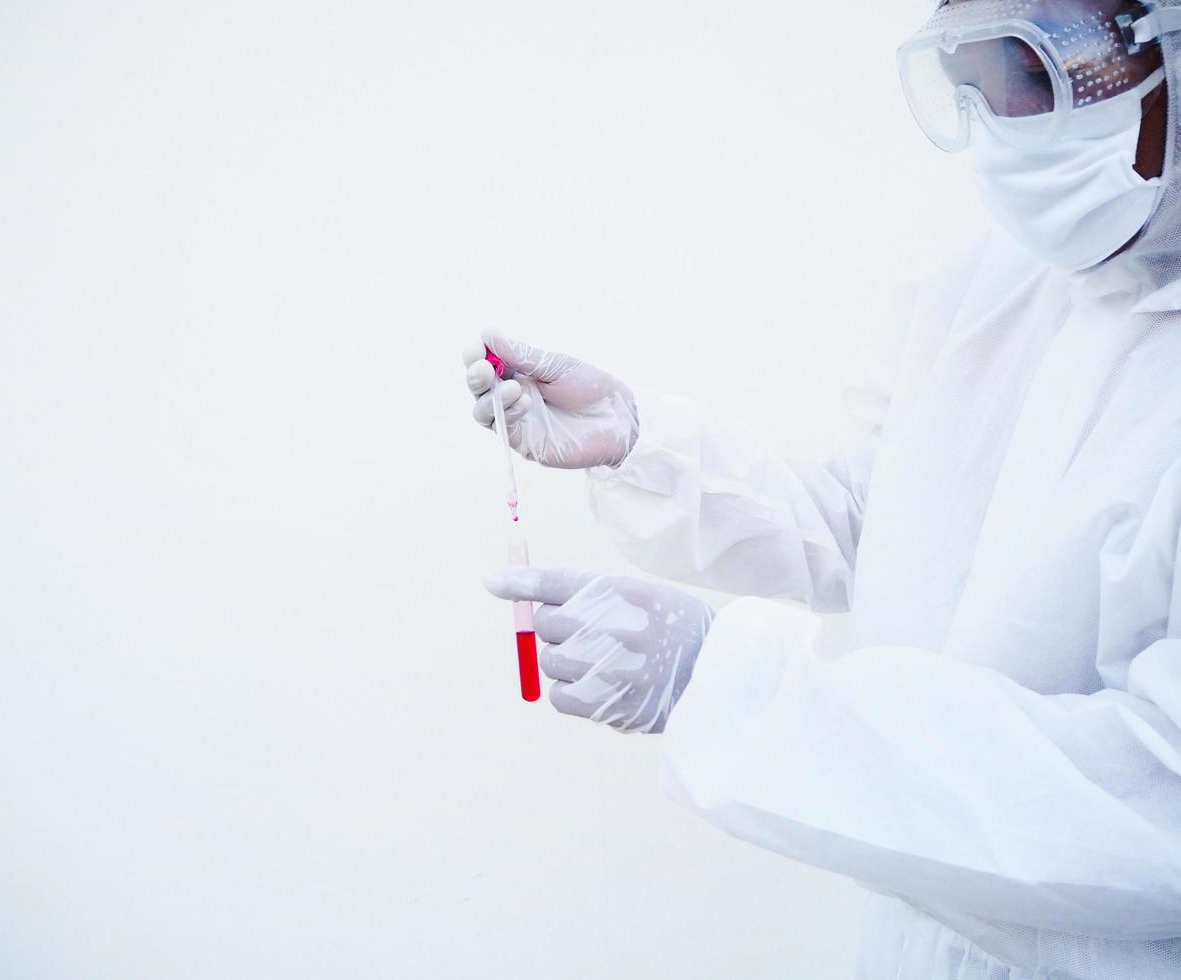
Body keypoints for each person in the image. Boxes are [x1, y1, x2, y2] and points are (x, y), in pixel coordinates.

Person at [462, 1, 1181, 977]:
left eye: (1025, 70)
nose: (999, 129)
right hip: (918, 937)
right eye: (965, 78)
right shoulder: (1004, 281)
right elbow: (878, 523)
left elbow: (1148, 800)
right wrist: (641, 443)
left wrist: (721, 682)